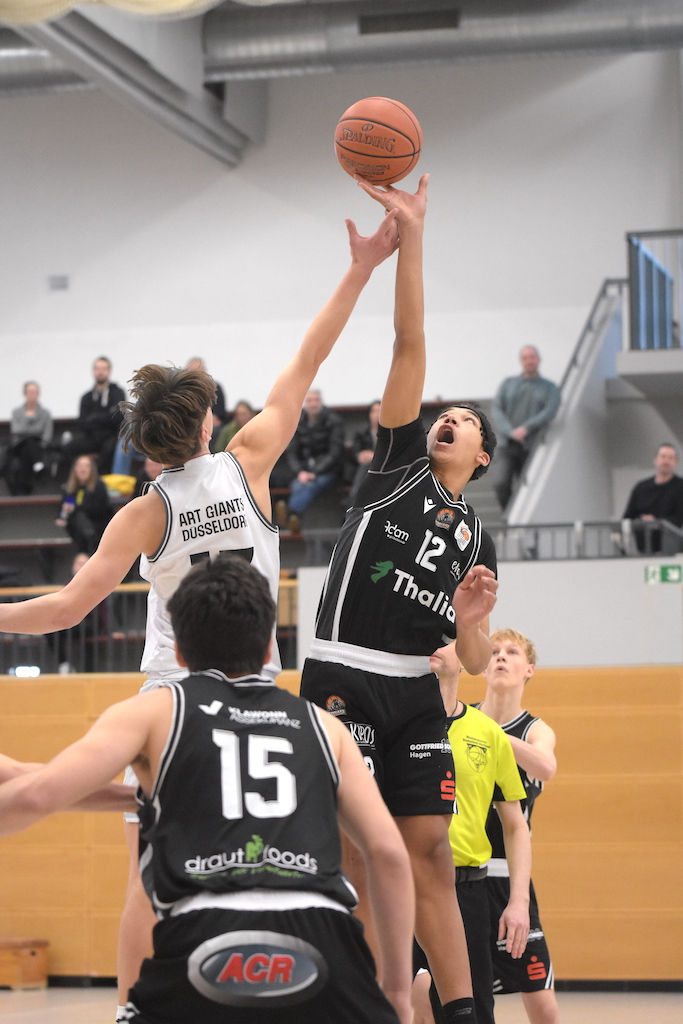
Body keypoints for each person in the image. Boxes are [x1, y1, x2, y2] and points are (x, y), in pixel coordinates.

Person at [0, 205, 401, 1017]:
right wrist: (361, 267)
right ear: (210, 421)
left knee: (151, 873)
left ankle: (129, 1007)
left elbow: (70, 607)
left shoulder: (142, 514)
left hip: (167, 692)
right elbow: (311, 352)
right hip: (259, 679)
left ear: (148, 448)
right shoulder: (252, 460)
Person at [0, 555, 415, 1024]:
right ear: (268, 649)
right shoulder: (324, 727)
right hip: (321, 936)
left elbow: (36, 794)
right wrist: (397, 989)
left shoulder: (154, 712)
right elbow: (389, 854)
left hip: (205, 934)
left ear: (178, 652)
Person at [300, 174, 499, 1024]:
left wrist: (474, 622)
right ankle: (357, 1001)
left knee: (429, 861)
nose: (447, 419)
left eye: (465, 420)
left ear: (484, 460)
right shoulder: (396, 466)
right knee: (347, 858)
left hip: (419, 694)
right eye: (442, 413)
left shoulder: (478, 541)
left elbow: (479, 667)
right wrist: (409, 234)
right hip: (343, 672)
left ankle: (464, 1012)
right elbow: (407, 335)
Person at [412, 643, 531, 1024]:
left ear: (465, 657)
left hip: (466, 891)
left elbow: (515, 824)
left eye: (443, 639)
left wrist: (519, 902)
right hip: (403, 886)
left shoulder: (487, 732)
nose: (432, 645)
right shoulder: (398, 724)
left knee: (472, 1009)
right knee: (392, 1000)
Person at [476, 629, 560, 1024]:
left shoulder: (535, 731)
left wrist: (493, 736)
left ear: (529, 669)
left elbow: (546, 766)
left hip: (511, 880)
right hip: (463, 874)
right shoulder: (461, 720)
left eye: (511, 652)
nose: (500, 657)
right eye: (493, 652)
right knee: (430, 995)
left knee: (542, 1005)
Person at [490, 346, 560, 511]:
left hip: (533, 447)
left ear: (538, 360)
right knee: (500, 483)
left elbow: (550, 411)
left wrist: (526, 429)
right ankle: (510, 516)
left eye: (532, 357)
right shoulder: (508, 384)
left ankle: (524, 522)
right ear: (521, 361)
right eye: (525, 358)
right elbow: (496, 409)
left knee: (529, 490)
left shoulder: (550, 388)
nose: (529, 361)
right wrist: (511, 431)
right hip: (506, 446)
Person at [276, 389, 345, 533]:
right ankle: (294, 519)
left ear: (321, 402)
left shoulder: (334, 421)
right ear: (304, 403)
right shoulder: (298, 422)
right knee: (298, 484)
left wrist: (315, 472)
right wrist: (300, 472)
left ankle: (290, 513)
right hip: (305, 469)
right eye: (309, 401)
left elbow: (335, 453)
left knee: (313, 485)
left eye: (316, 400)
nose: (313, 404)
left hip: (330, 472)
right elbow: (292, 453)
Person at [60, 356, 126, 477]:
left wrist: (95, 417)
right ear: (93, 371)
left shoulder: (117, 393)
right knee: (68, 448)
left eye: (104, 368)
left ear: (109, 371)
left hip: (111, 436)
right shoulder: (87, 397)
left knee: (111, 448)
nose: (100, 372)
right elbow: (82, 423)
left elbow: (119, 418)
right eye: (97, 368)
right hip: (92, 437)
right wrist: (106, 416)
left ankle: (101, 480)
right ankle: (73, 482)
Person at [622, 442, 683, 553]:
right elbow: (628, 517)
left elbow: (679, 518)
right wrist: (641, 522)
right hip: (643, 550)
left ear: (676, 462)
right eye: (663, 456)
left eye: (670, 458)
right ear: (655, 460)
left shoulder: (680, 487)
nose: (666, 461)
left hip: (670, 550)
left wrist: (656, 522)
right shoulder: (641, 487)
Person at [56, 454, 113, 555]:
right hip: (77, 527)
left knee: (79, 516)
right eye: (80, 466)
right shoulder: (69, 488)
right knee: (77, 519)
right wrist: (62, 515)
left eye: (86, 466)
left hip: (97, 524)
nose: (83, 469)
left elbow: (100, 509)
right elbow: (62, 508)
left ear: (92, 469)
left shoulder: (99, 486)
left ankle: (85, 550)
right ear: (75, 469)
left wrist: (75, 508)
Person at [4, 381, 53, 495]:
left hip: (39, 445)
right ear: (25, 394)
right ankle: (38, 466)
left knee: (30, 445)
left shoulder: (45, 413)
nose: (32, 394)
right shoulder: (17, 412)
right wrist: (31, 422)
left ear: (38, 394)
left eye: (34, 392)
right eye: (29, 392)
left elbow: (47, 432)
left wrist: (30, 432)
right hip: (20, 444)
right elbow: (17, 430)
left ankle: (24, 487)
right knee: (29, 441)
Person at [347, 399, 381, 507]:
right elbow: (355, 453)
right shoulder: (362, 432)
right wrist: (361, 456)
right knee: (365, 466)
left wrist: (374, 456)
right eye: (374, 411)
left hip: (384, 467)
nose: (377, 415)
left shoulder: (391, 432)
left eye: (380, 411)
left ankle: (352, 507)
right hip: (363, 469)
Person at [186, 356, 227, 437]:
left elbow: (219, 412)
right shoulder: (184, 389)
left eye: (198, 370)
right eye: (192, 370)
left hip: (210, 422)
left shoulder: (215, 387)